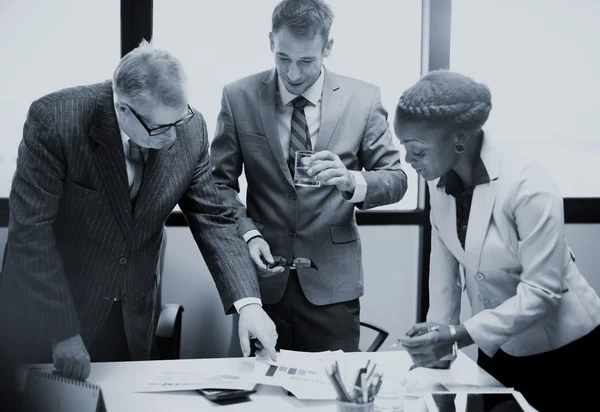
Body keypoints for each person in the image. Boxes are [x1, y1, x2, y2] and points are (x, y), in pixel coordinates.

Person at [0, 40, 277, 381]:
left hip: (129, 313)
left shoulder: (188, 129)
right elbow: (31, 233)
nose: (174, 138)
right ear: (122, 109)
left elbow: (214, 220)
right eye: (160, 129)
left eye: (180, 119)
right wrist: (62, 329)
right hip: (52, 309)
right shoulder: (56, 120)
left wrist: (249, 305)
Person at [394, 70, 600, 411]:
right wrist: (437, 343)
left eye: (417, 150)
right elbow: (444, 284)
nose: (408, 160)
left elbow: (542, 292)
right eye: (405, 148)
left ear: (459, 138)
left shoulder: (528, 184)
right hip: (498, 347)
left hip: (564, 349)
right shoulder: (438, 184)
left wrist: (458, 336)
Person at [210, 0, 408, 353]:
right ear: (271, 41)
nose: (294, 74)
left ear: (327, 48)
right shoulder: (238, 96)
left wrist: (352, 181)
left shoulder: (362, 99)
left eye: (307, 61)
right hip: (261, 282)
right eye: (283, 59)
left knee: (333, 396)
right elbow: (218, 184)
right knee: (258, 398)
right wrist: (249, 233)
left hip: (333, 288)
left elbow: (396, 179)